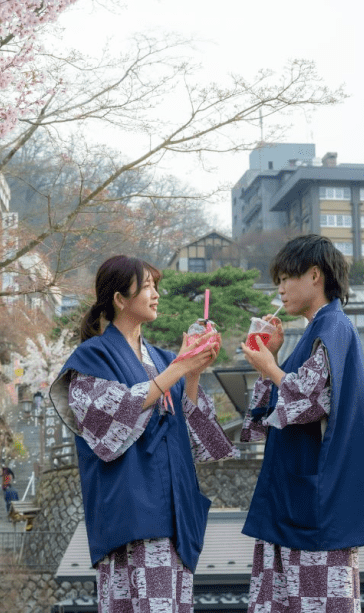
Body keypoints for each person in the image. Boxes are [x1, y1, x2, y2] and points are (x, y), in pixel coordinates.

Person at [50, 254, 238, 613]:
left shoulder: (163, 359)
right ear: (120, 299)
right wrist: (178, 368)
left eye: (156, 286)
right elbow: (105, 422)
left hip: (174, 512)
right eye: (147, 287)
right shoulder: (92, 357)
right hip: (131, 508)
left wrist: (193, 373)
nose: (156, 294)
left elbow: (202, 440)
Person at [239, 235, 364, 613]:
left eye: (287, 278)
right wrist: (272, 360)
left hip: (315, 504)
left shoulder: (334, 327)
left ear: (315, 275)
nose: (280, 289)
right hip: (296, 498)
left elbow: (310, 401)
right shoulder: (318, 330)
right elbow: (277, 410)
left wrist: (270, 367)